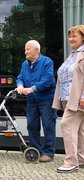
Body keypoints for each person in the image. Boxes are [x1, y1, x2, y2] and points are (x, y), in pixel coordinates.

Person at [16, 40, 57, 162]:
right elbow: (20, 78)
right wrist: (19, 85)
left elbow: (48, 80)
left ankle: (49, 153)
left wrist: (31, 89)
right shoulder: (25, 64)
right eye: (25, 49)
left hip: (46, 99)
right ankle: (36, 150)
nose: (25, 52)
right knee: (32, 124)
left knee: (48, 125)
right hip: (32, 100)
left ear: (37, 50)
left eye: (28, 49)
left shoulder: (47, 62)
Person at [52, 25, 84, 173]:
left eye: (74, 36)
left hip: (77, 98)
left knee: (67, 124)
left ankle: (71, 162)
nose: (70, 39)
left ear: (82, 37)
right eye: (69, 36)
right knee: (79, 130)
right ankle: (81, 158)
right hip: (67, 97)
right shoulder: (72, 54)